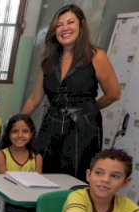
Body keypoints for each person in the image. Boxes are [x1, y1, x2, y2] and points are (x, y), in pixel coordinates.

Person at [21, 4, 121, 180]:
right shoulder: (48, 60)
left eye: (70, 22)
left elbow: (113, 94)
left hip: (83, 130)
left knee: (75, 178)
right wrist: (18, 122)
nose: (64, 28)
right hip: (51, 126)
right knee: (44, 175)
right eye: (59, 25)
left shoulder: (96, 56)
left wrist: (88, 109)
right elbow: (35, 98)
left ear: (81, 25)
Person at [0, 114, 43, 212]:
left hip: (29, 199)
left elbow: (39, 182)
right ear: (8, 134)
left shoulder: (37, 156)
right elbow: (5, 181)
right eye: (15, 131)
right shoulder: (1, 154)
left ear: (32, 134)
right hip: (4, 198)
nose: (20, 135)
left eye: (25, 131)